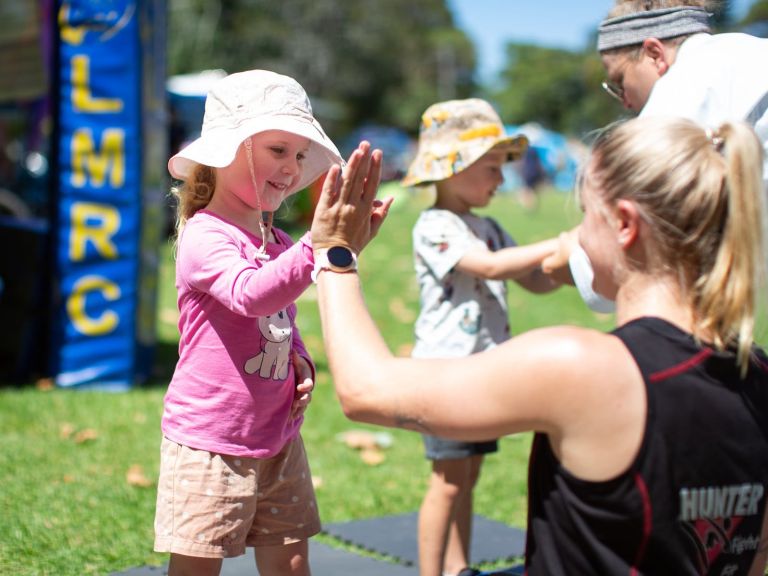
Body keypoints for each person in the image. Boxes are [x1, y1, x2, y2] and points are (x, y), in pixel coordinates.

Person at [310, 115, 768, 574]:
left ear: (625, 224)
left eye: (587, 215)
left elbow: (365, 389)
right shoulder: (760, 377)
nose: (580, 234)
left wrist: (335, 253)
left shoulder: (582, 367)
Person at [152, 69, 378, 576]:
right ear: (227, 150)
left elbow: (281, 311)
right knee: (198, 567)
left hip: (278, 436)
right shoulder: (205, 235)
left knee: (292, 562)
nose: (293, 169)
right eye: (278, 150)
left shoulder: (272, 240)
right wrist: (317, 243)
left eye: (301, 156)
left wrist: (297, 354)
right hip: (212, 441)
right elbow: (251, 294)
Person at [398, 98, 561, 576]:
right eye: (491, 167)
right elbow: (488, 266)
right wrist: (556, 243)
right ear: (451, 169)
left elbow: (536, 279)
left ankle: (459, 567)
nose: (501, 179)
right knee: (447, 482)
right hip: (446, 375)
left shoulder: (489, 225)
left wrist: (577, 264)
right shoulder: (435, 225)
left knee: (467, 478)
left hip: (482, 371)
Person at [556, 0, 768, 310]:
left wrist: (563, 259)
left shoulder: (686, 83)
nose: (625, 102)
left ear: (655, 54)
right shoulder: (747, 52)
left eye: (619, 82)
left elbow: (636, 240)